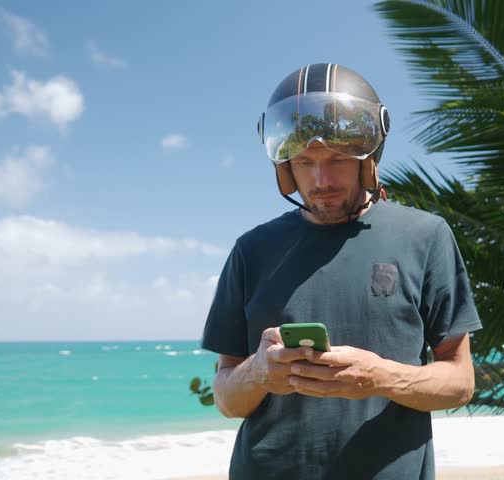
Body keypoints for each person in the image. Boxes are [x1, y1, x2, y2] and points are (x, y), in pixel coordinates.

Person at [201, 63, 483, 479]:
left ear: (367, 160)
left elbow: (460, 382)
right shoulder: (251, 250)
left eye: (337, 159)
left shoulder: (424, 236)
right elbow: (226, 398)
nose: (321, 180)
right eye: (305, 162)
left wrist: (379, 377)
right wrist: (259, 371)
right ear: (286, 168)